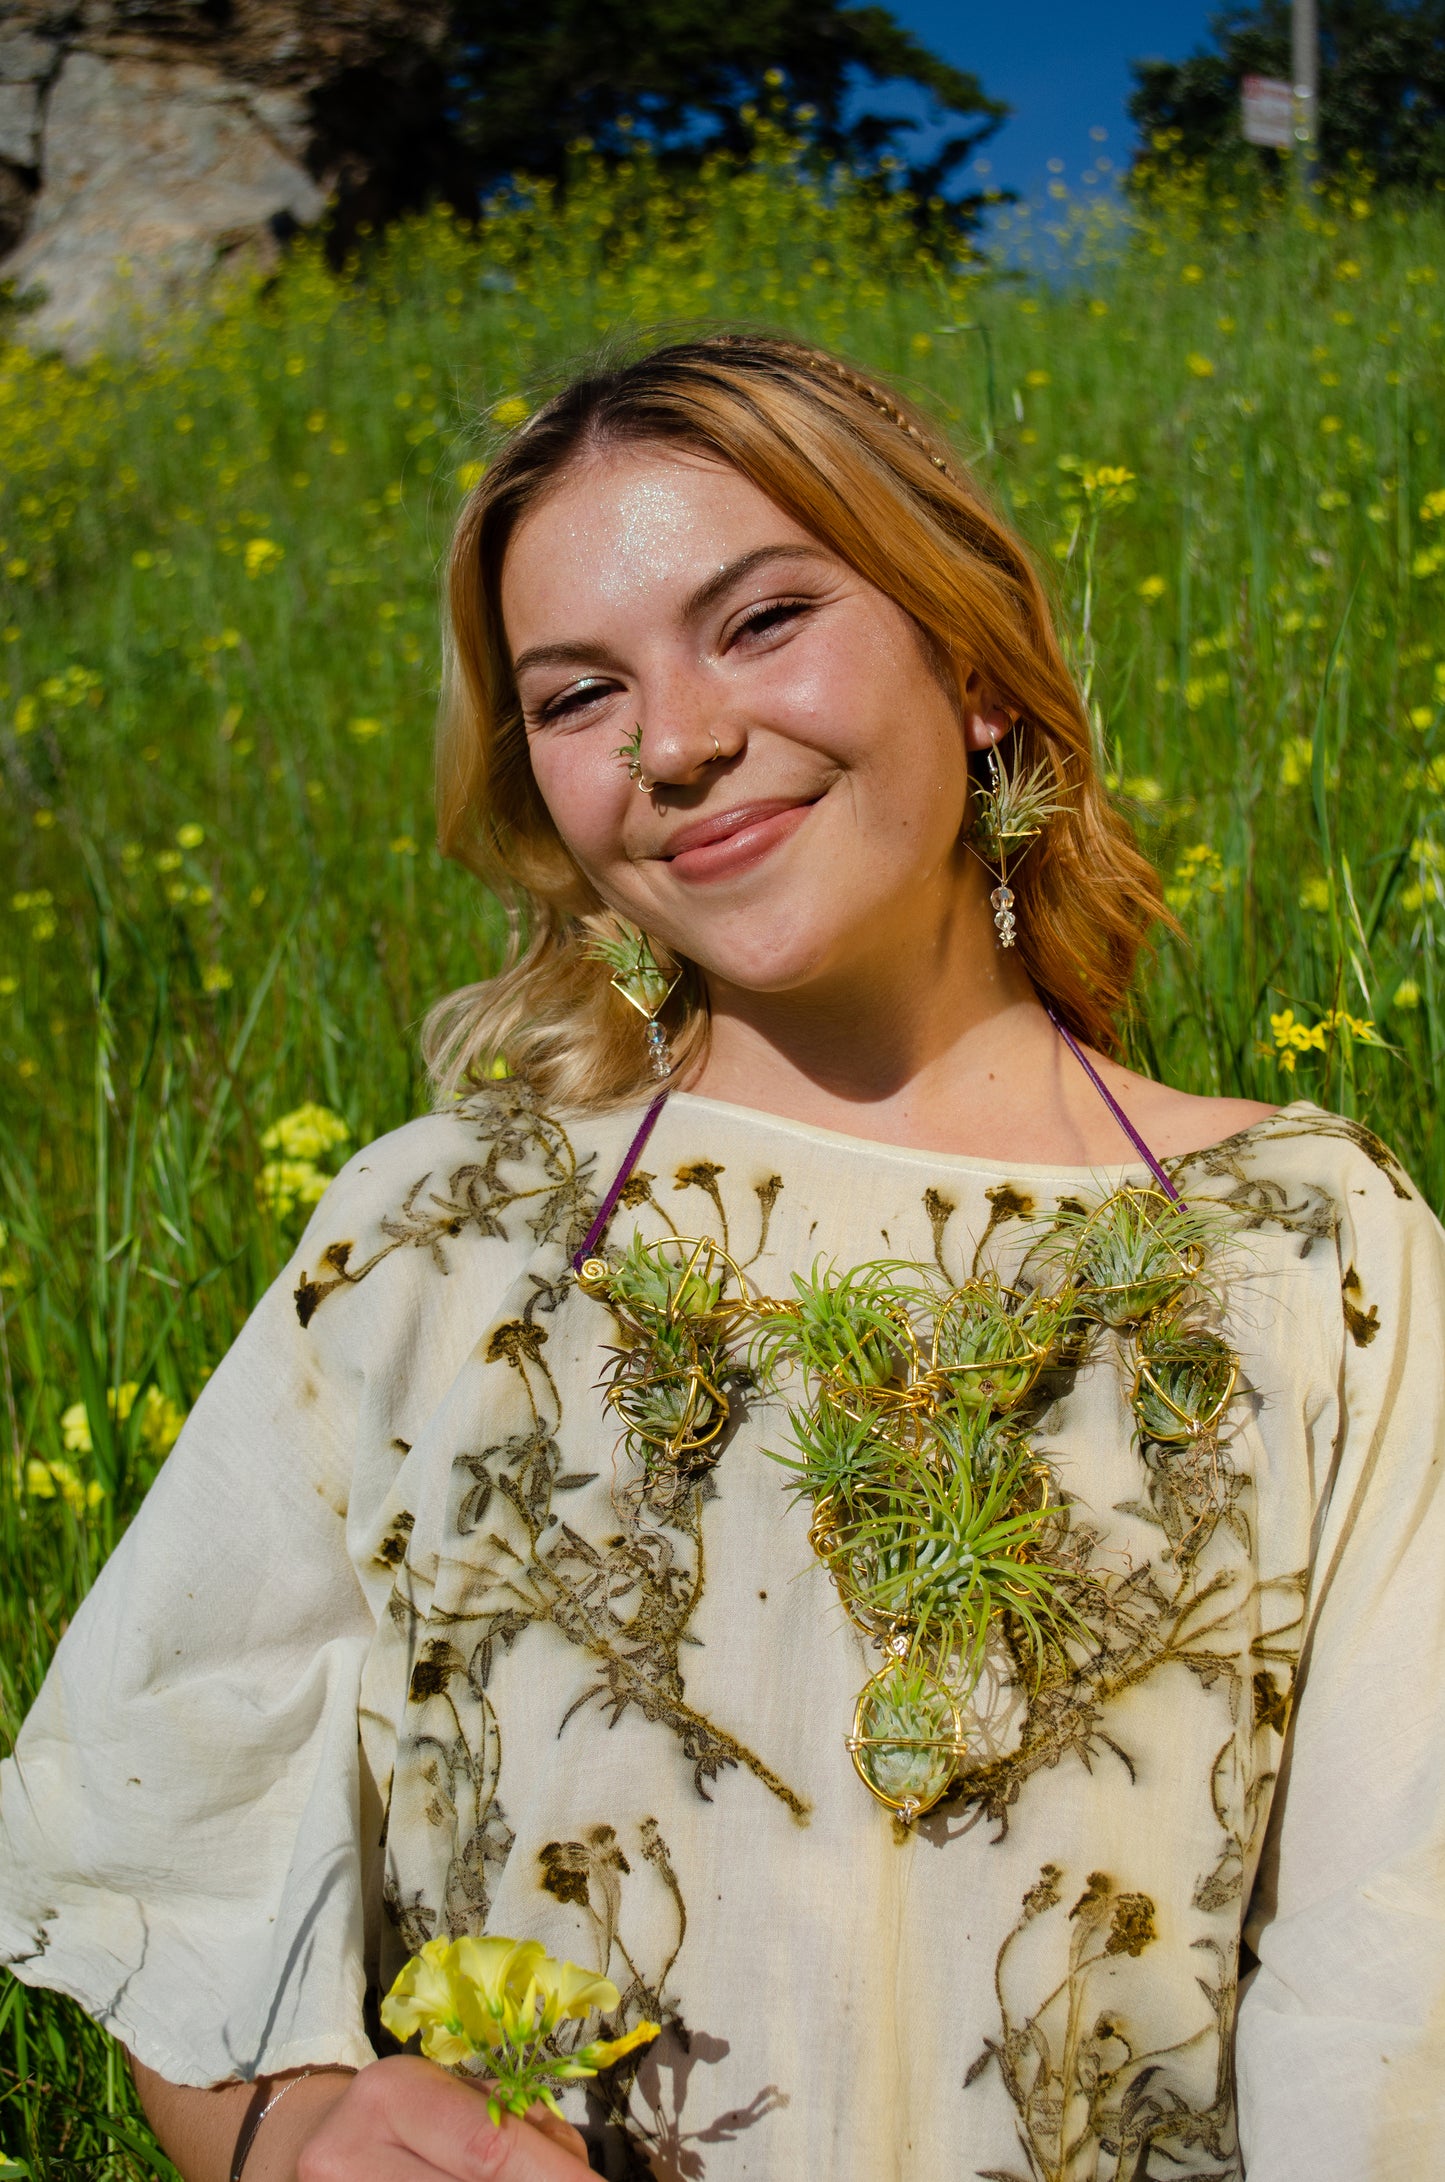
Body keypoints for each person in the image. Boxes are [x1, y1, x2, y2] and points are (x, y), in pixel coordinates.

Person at [3, 335, 1442, 2182]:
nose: (673, 739)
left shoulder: (1302, 1250)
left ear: (977, 665)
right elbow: (179, 1866)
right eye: (578, 692)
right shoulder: (443, 1237)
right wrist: (296, 2143)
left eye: (760, 621)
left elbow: (1393, 1982)